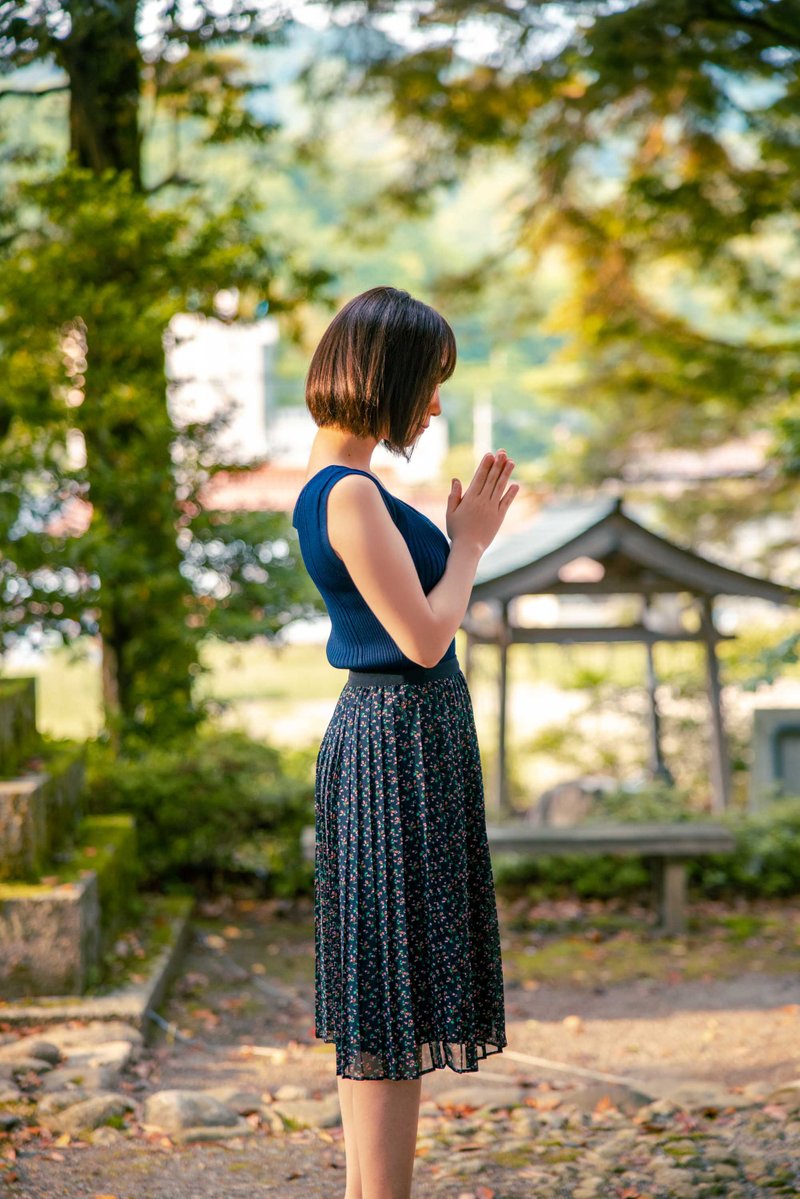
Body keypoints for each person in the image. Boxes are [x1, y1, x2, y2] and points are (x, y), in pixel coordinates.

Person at [291, 285, 519, 1199]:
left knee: (394, 990)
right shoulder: (347, 494)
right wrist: (469, 544)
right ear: (383, 377)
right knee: (389, 991)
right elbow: (424, 638)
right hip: (394, 743)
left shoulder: (348, 486)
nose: (433, 405)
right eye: (427, 384)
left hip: (402, 741)